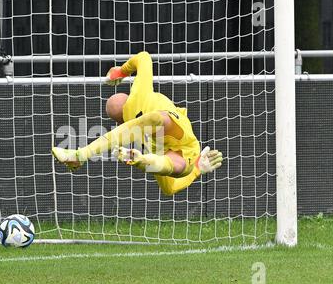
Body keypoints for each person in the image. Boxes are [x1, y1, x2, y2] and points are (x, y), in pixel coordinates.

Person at [52, 51, 223, 196]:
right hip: (176, 132)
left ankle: (134, 160)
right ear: (126, 96)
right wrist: (121, 72)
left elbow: (169, 189)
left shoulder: (136, 133)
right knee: (163, 140)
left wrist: (197, 169)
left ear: (121, 121)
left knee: (169, 164)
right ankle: (141, 160)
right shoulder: (138, 92)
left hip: (162, 144)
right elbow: (144, 57)